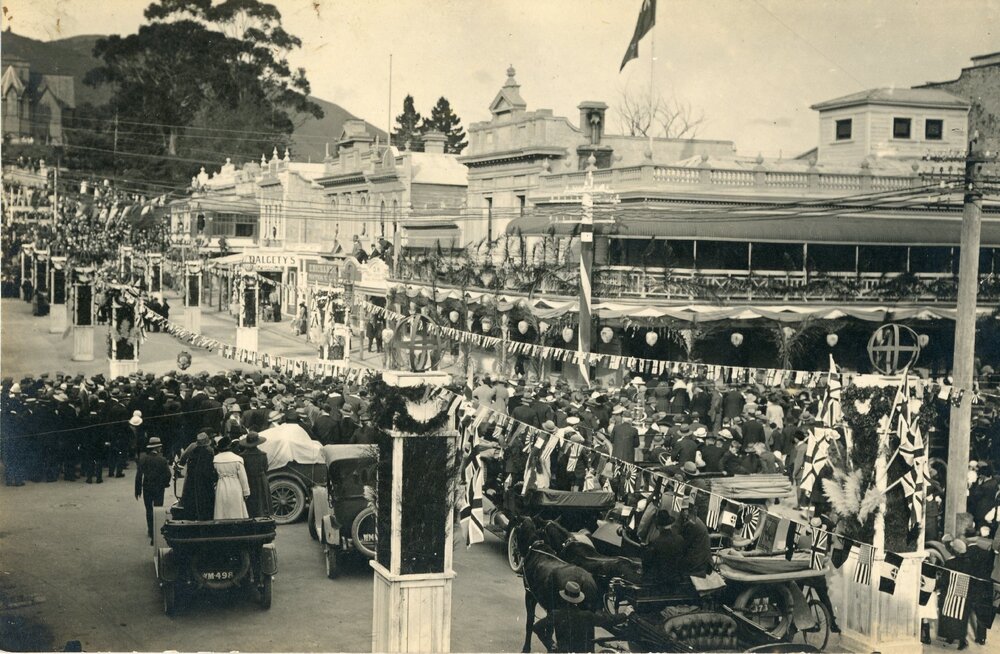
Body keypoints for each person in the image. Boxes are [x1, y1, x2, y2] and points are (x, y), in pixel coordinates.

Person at [531, 581, 613, 653]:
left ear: (564, 597)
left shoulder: (556, 615)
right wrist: (624, 614)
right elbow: (609, 620)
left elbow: (536, 627)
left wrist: (550, 643)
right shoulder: (587, 615)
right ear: (578, 599)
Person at [135, 437, 172, 544]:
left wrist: (138, 490)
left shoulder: (144, 459)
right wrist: (165, 484)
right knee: (158, 509)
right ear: (157, 448)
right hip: (159, 488)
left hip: (147, 487)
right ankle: (157, 531)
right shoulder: (162, 460)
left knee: (149, 510)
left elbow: (139, 475)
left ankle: (151, 531)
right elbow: (168, 474)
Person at [179, 431, 217, 521]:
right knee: (204, 499)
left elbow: (183, 458)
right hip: (204, 479)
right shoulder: (209, 450)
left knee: (191, 497)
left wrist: (180, 466)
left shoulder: (192, 446)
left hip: (191, 477)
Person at [213, 438, 250, 520]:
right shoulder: (237, 459)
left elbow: (214, 476)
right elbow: (243, 477)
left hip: (221, 485)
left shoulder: (215, 459)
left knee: (222, 509)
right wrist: (246, 491)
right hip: (235, 486)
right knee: (236, 509)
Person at [239, 431, 271, 518]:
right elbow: (266, 468)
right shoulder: (262, 454)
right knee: (262, 500)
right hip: (261, 479)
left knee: (250, 502)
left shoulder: (242, 456)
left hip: (249, 480)